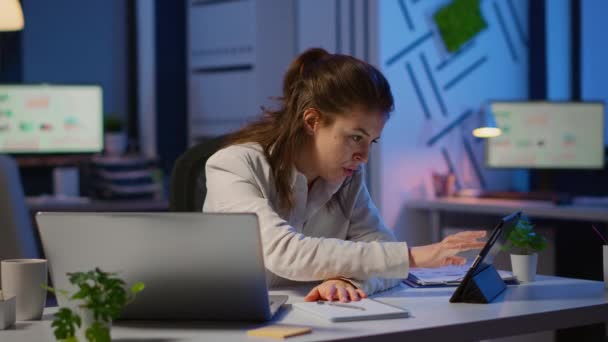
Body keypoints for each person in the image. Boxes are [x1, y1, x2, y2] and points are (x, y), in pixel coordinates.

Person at [203, 48, 486, 303]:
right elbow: (283, 252)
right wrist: (411, 257)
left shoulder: (348, 177)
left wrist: (348, 280)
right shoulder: (233, 165)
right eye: (355, 137)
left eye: (371, 141)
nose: (363, 155)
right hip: (237, 324)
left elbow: (382, 252)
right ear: (312, 121)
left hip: (313, 320)